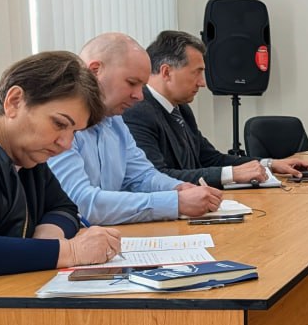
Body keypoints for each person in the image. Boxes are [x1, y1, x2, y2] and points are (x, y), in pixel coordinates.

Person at [0, 51, 122, 278]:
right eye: (59, 124)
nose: (66, 143)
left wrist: (45, 240)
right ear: (14, 102)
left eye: (74, 132)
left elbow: (64, 208)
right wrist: (68, 252)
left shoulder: (24, 151)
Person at [48, 33, 223, 224]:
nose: (139, 96)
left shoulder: (115, 121)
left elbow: (142, 176)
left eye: (142, 86)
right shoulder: (60, 126)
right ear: (95, 71)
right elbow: (80, 203)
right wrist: (176, 202)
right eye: (132, 83)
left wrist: (179, 188)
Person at [124, 30, 308, 185]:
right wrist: (231, 174)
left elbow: (210, 158)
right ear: (166, 72)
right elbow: (157, 178)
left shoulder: (181, 109)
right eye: (197, 73)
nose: (202, 83)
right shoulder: (137, 111)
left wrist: (269, 164)